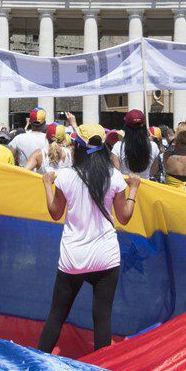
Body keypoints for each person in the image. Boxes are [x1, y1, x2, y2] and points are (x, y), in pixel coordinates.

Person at [37, 117, 139, 353]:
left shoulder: (65, 177)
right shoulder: (114, 177)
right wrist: (133, 188)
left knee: (56, 317)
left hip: (74, 257)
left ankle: (37, 364)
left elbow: (55, 213)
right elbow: (124, 217)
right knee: (102, 320)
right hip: (106, 256)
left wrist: (46, 185)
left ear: (78, 148)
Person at [111, 110, 160, 180]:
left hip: (125, 187)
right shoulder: (153, 146)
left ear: (126, 127)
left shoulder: (118, 146)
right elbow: (154, 169)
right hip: (146, 187)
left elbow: (116, 172)